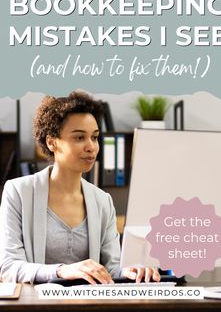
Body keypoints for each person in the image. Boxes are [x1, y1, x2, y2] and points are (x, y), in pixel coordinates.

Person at [0, 91, 160, 284]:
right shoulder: (18, 192)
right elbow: (9, 266)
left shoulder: (103, 201)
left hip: (89, 305)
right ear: (52, 142)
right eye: (79, 138)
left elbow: (111, 269)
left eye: (94, 137)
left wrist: (132, 271)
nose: (91, 147)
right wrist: (61, 271)